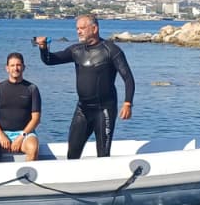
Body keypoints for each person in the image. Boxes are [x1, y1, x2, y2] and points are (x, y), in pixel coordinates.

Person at [37, 13, 135, 159]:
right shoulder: (76, 50)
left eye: (82, 28)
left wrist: (127, 103)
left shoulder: (111, 50)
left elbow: (128, 79)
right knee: (72, 153)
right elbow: (50, 60)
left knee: (103, 154)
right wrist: (43, 48)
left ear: (94, 28)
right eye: (77, 28)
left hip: (105, 110)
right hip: (83, 109)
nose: (79, 31)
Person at [0, 51, 42, 162]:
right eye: (12, 65)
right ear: (7, 68)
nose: (15, 68)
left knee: (33, 149)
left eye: (18, 65)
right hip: (2, 133)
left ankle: (27, 172)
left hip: (25, 133)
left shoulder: (32, 89)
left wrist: (21, 136)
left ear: (23, 67)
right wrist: (1, 135)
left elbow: (36, 119)